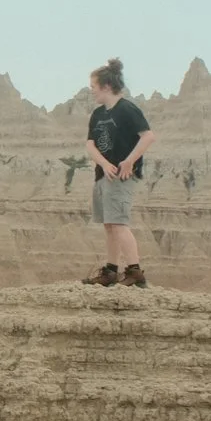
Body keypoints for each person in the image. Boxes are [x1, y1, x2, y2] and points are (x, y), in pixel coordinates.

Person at [80, 58, 156, 288]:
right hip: (104, 175)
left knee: (119, 223)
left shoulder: (127, 109)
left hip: (122, 177)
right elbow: (90, 144)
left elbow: (148, 136)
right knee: (108, 224)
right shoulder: (98, 114)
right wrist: (103, 164)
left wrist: (129, 162)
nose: (91, 91)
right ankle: (110, 272)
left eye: (93, 87)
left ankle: (135, 271)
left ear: (105, 87)